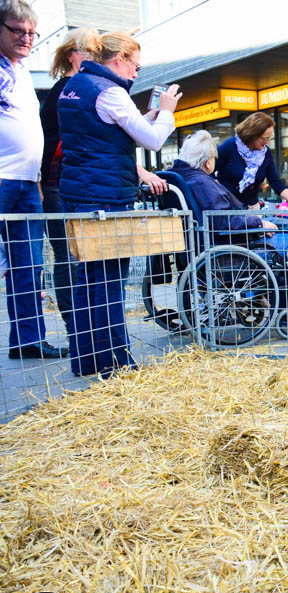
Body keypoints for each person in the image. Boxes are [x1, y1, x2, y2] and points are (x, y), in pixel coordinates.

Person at [58, 31, 181, 376]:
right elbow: (153, 140)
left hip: (78, 192)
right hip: (107, 195)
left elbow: (102, 131)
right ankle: (117, 362)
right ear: (120, 58)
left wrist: (145, 116)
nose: (136, 73)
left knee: (87, 280)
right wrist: (166, 113)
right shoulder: (110, 91)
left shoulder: (74, 86)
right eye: (136, 65)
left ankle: (86, 360)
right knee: (109, 281)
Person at [172, 131, 288, 309]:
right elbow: (222, 220)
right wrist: (259, 223)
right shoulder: (202, 183)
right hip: (228, 250)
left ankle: (269, 296)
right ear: (208, 162)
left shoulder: (182, 179)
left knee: (282, 229)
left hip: (209, 246)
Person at [0, 0, 62, 359]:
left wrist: (35, 176)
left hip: (25, 181)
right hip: (3, 177)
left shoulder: (22, 71)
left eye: (32, 33)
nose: (26, 38)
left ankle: (28, 340)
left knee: (28, 265)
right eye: (17, 30)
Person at [38, 28, 100, 336]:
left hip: (75, 182)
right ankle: (75, 325)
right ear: (72, 54)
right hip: (57, 182)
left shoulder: (80, 88)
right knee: (67, 256)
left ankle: (84, 324)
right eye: (89, 51)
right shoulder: (65, 91)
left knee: (79, 255)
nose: (94, 57)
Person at [215, 112, 288, 209]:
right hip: (227, 206)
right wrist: (220, 190)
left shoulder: (265, 153)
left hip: (252, 207)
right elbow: (208, 172)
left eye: (270, 138)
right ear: (252, 135)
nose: (268, 142)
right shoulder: (229, 147)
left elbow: (276, 183)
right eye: (265, 138)